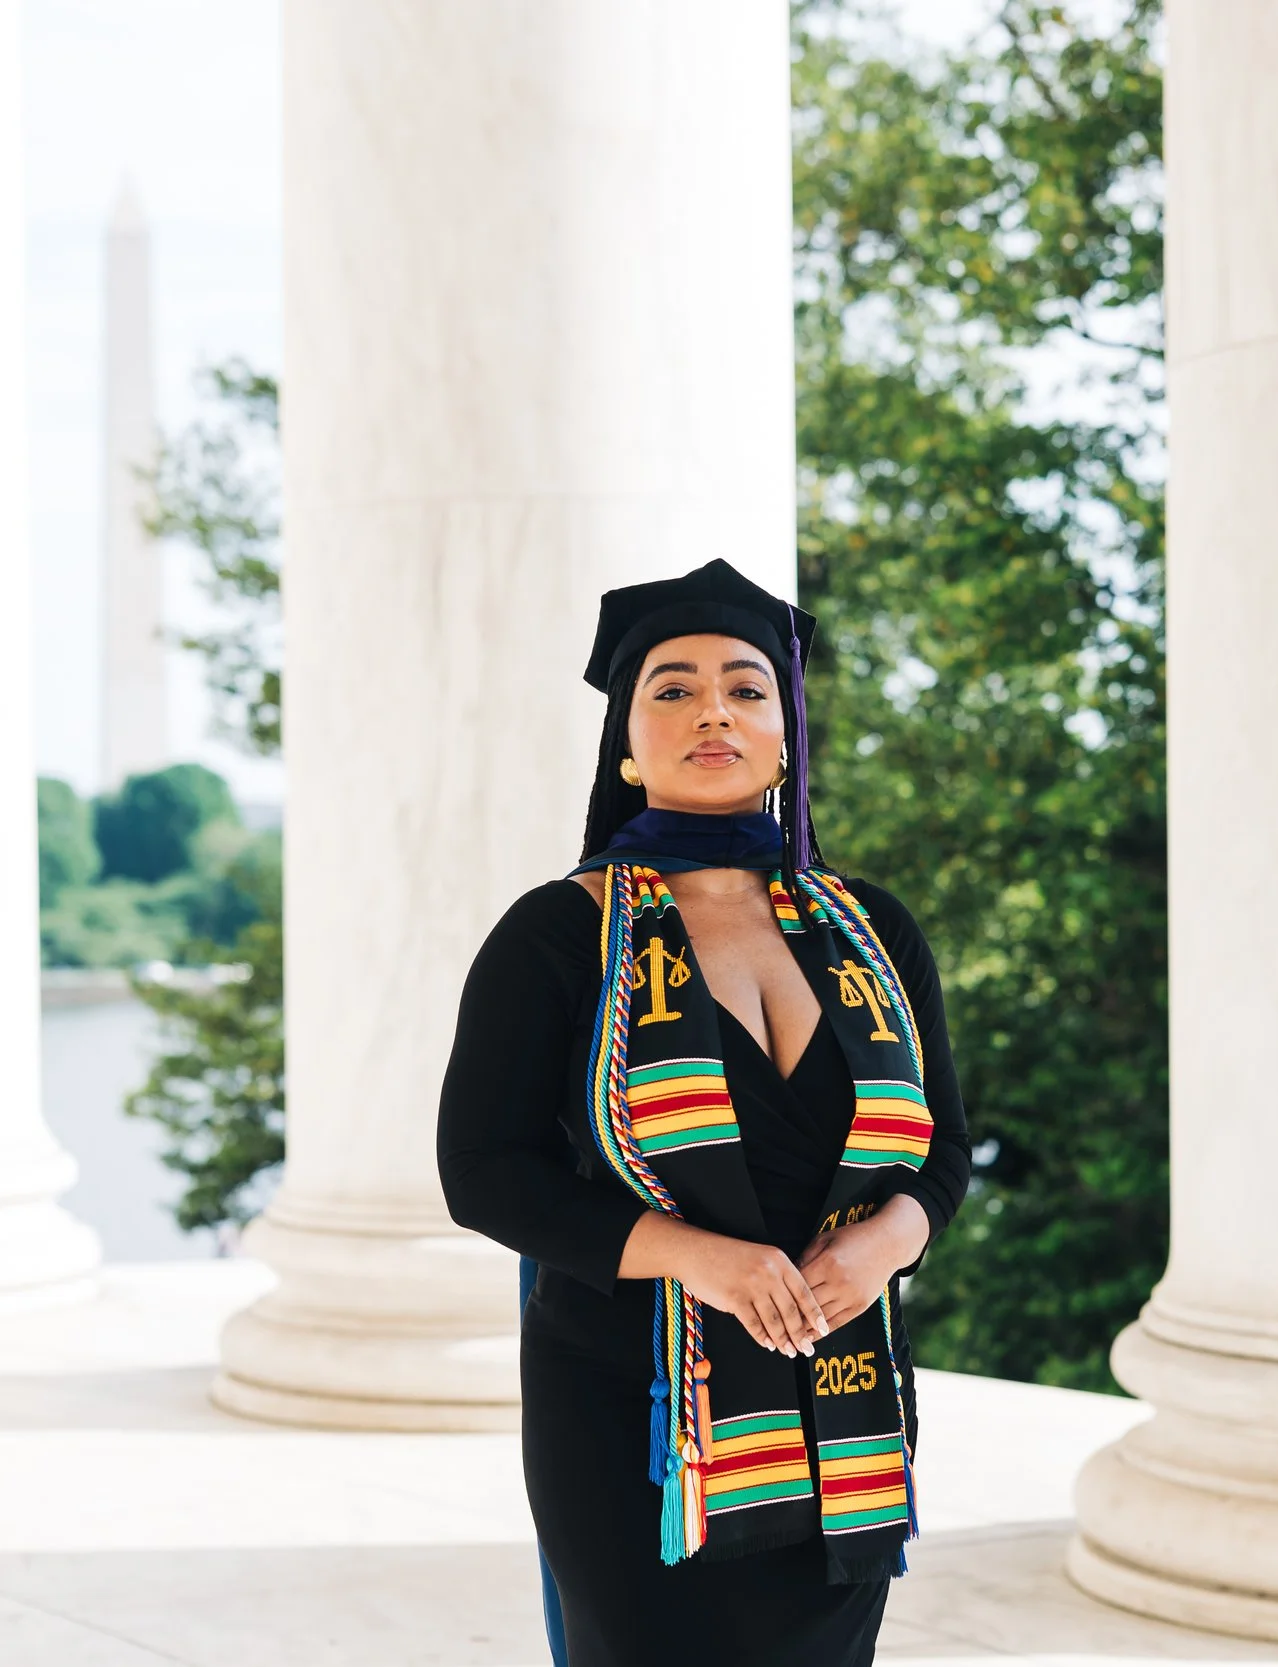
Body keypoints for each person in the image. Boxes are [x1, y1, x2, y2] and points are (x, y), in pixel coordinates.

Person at [437, 559, 970, 1667]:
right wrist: (703, 1260)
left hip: (839, 1400)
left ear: (787, 733)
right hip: (630, 1415)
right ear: (626, 741)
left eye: (746, 686)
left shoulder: (873, 928)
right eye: (672, 689)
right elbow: (481, 1169)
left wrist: (885, 1243)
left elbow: (941, 1151)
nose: (714, 709)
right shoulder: (558, 933)